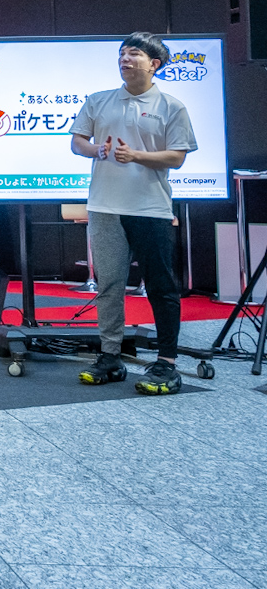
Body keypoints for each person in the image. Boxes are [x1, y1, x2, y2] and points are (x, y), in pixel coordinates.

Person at [70, 32, 196, 395]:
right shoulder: (99, 100)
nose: (125, 59)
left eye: (134, 54)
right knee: (109, 285)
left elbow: (177, 156)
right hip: (104, 207)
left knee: (160, 286)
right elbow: (77, 142)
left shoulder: (171, 106)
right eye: (122, 54)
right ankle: (110, 356)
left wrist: (136, 155)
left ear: (154, 64)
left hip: (150, 208)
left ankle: (166, 362)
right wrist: (95, 150)